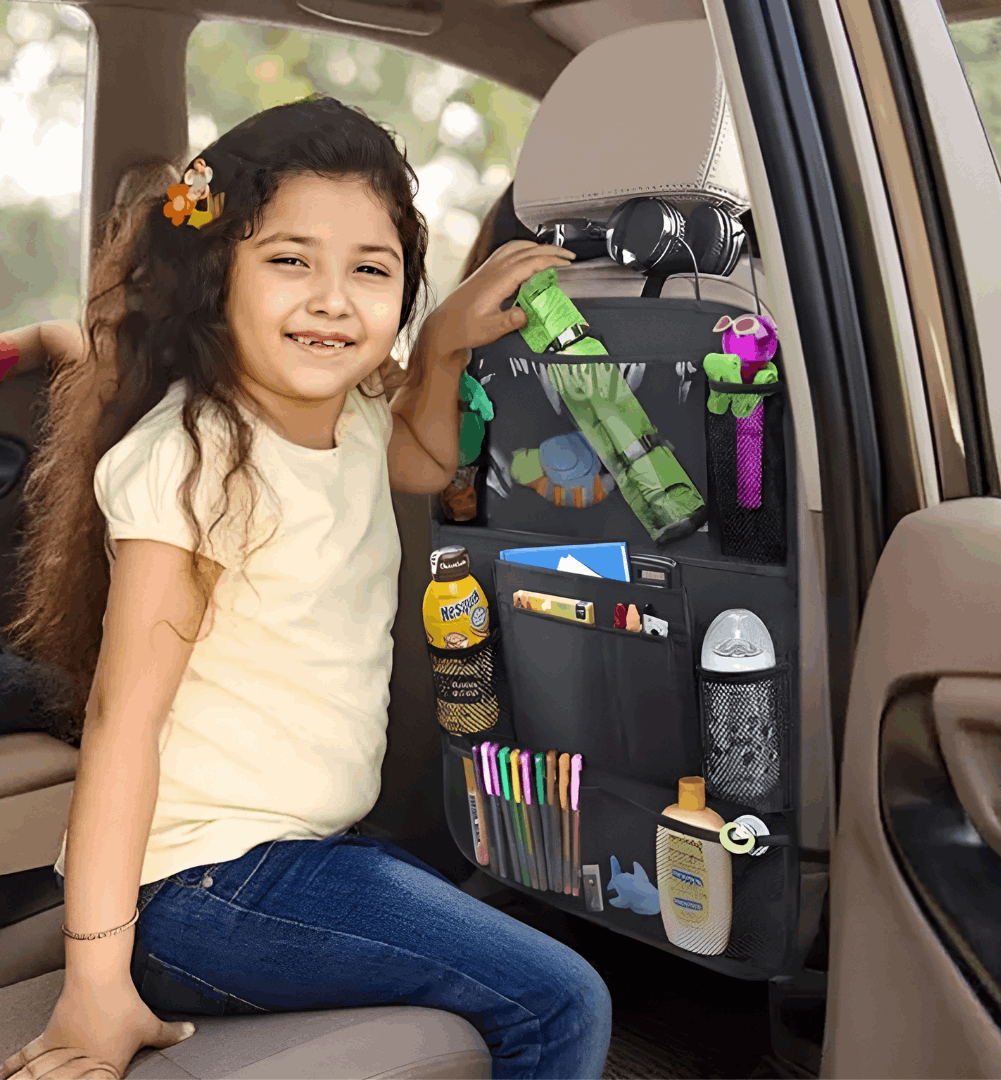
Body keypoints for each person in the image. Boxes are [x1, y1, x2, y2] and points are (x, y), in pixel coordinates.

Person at [0, 95, 610, 1080]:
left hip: (291, 857)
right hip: (194, 886)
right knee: (560, 1000)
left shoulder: (356, 408)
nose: (334, 299)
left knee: (496, 897)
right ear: (214, 277)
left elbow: (420, 457)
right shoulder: (200, 462)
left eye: (371, 270)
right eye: (291, 261)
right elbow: (121, 726)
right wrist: (95, 985)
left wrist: (447, 340)